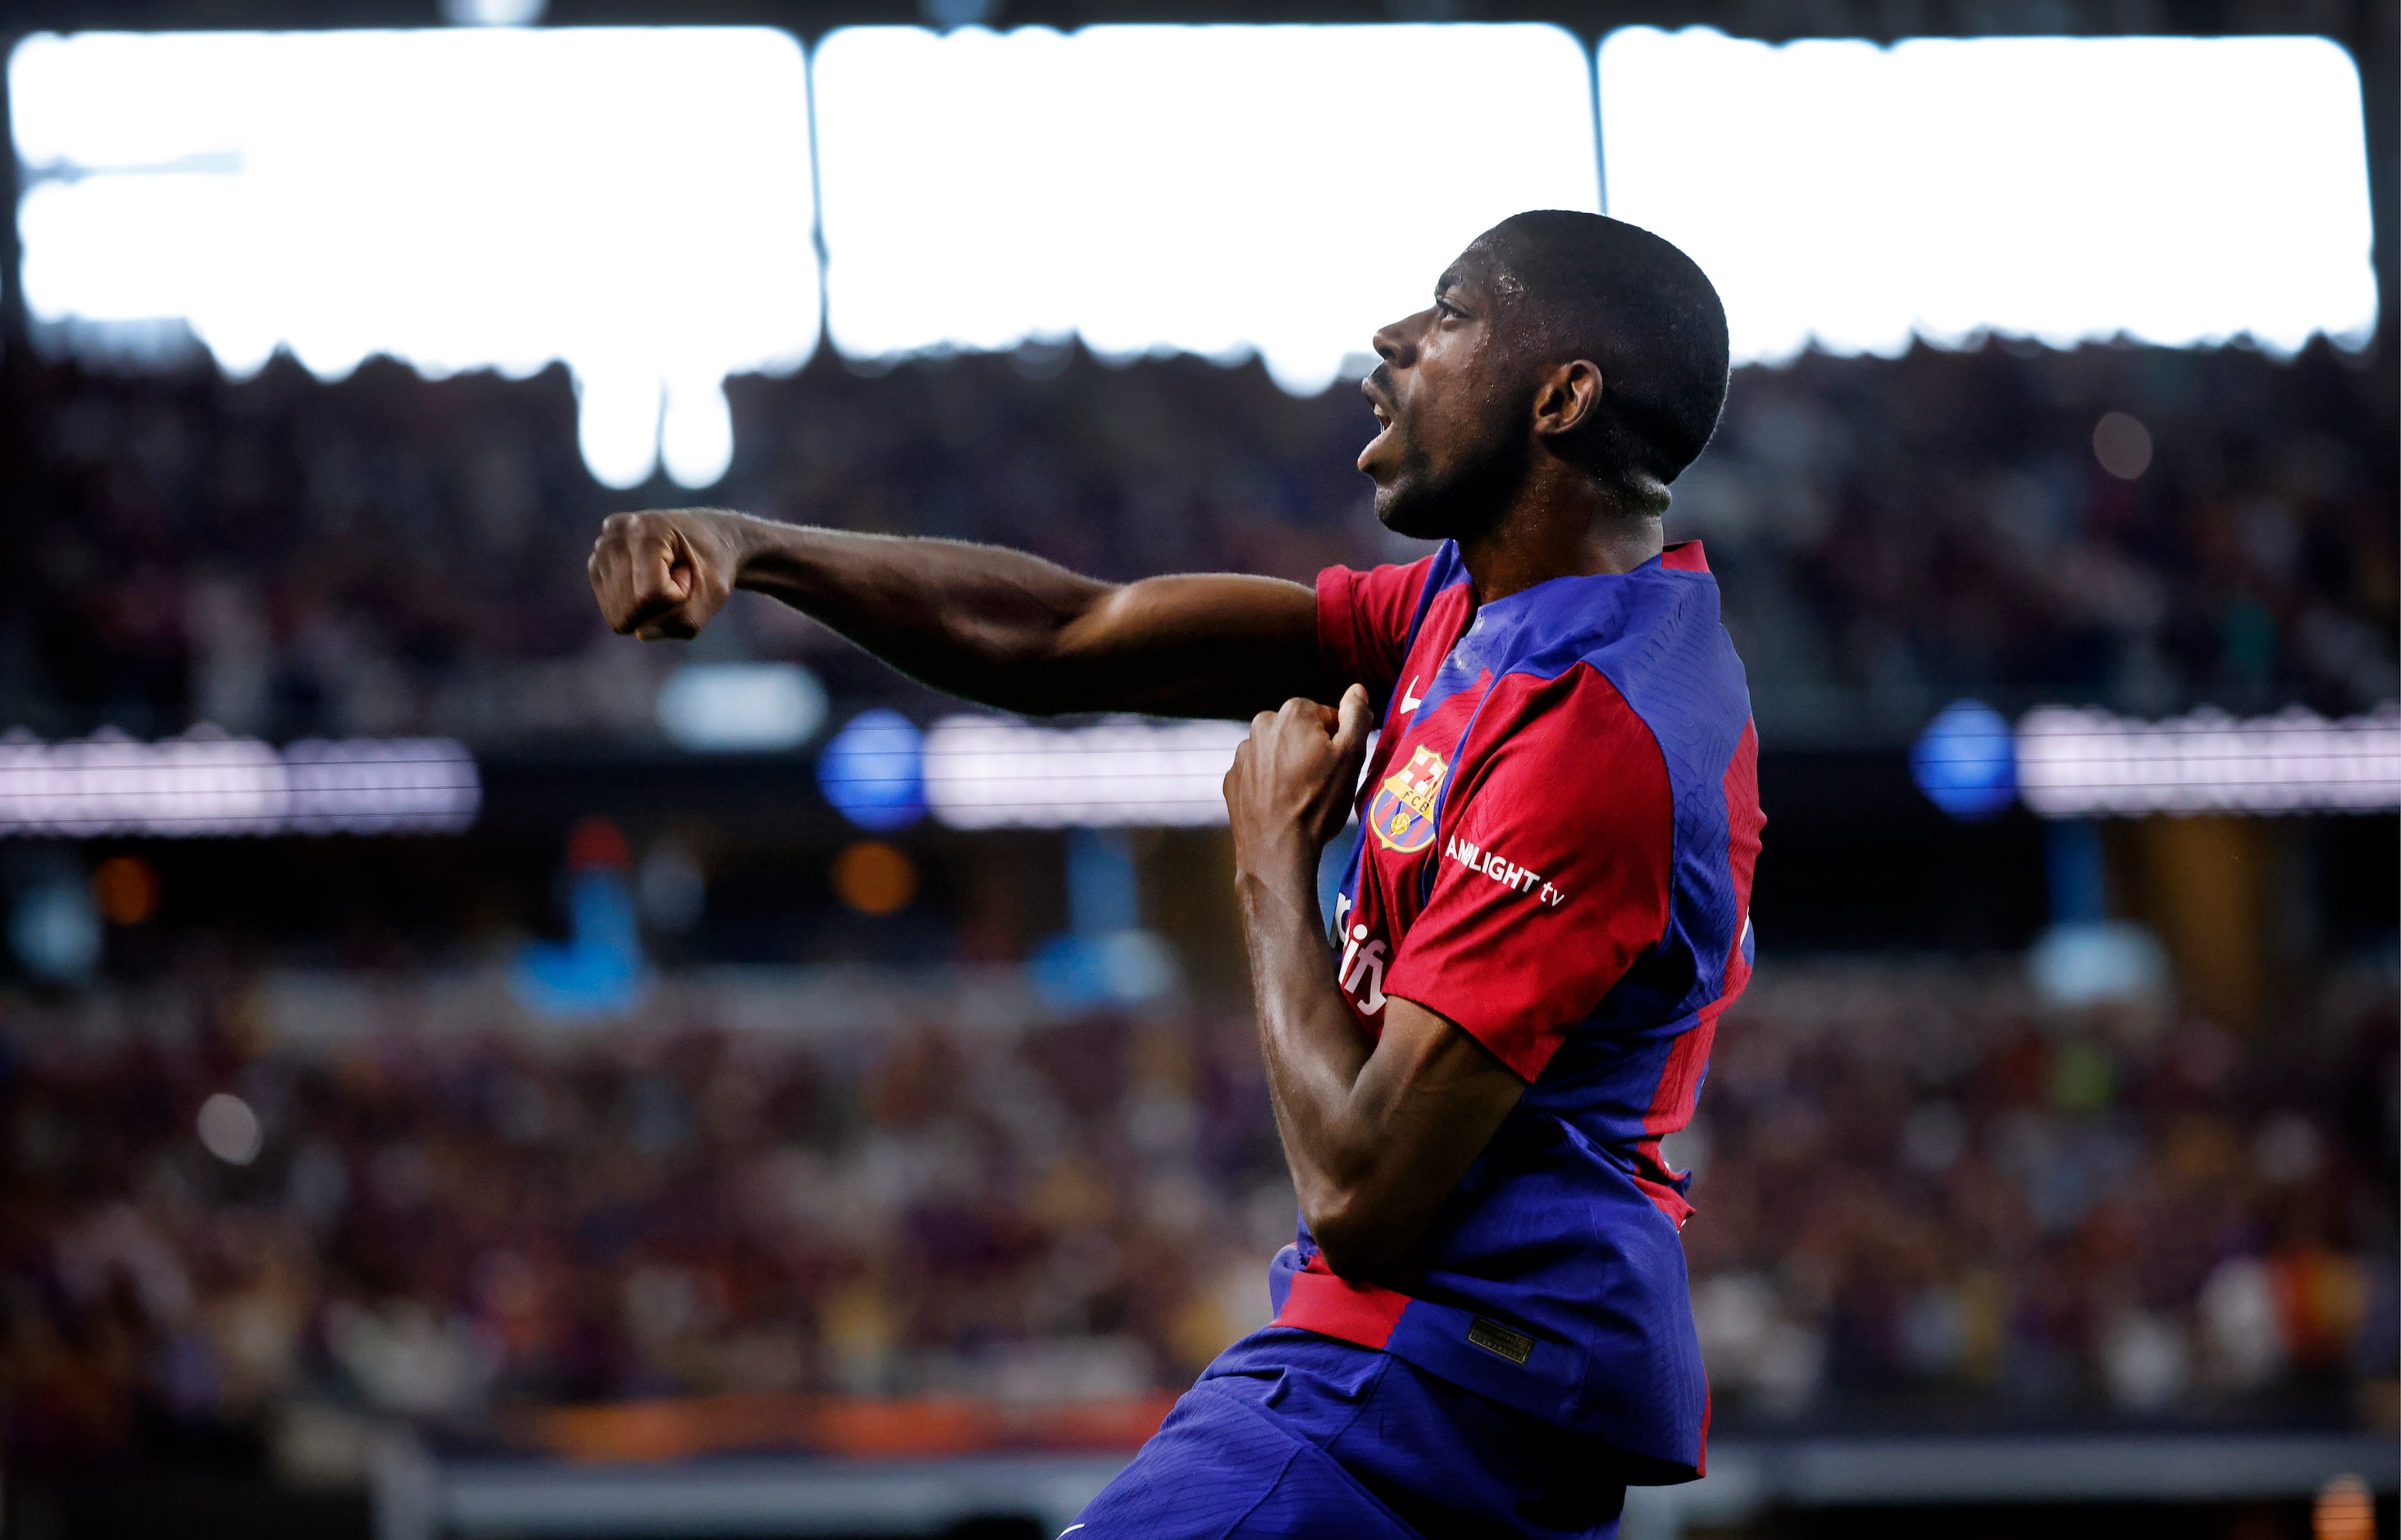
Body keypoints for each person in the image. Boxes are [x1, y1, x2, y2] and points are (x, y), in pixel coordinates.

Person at [588, 209, 1761, 1540]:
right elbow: (1074, 633)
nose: (1394, 337)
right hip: (1472, 1383)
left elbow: (1367, 1198)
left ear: (1562, 396)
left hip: (1424, 1382)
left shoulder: (1593, 731)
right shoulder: (1470, 612)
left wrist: (1267, 862)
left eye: (1452, 312)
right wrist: (761, 549)